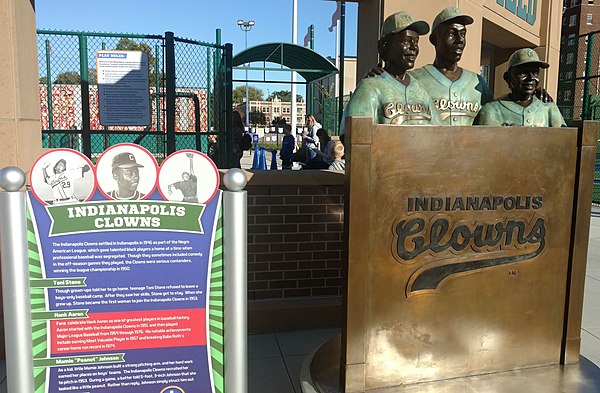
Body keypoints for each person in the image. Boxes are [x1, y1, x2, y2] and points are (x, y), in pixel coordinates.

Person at [339, 11, 433, 135]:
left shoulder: (421, 90)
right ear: (384, 46)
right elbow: (351, 135)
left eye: (416, 42)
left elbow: (443, 134)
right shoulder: (370, 87)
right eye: (406, 41)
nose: (413, 47)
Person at [408, 7, 493, 125]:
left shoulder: (478, 83)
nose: (459, 40)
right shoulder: (413, 79)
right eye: (451, 33)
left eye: (463, 34)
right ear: (434, 39)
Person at [476, 48, 566, 127]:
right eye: (523, 73)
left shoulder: (549, 109)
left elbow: (565, 141)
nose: (531, 78)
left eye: (535, 72)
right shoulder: (492, 110)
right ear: (508, 77)